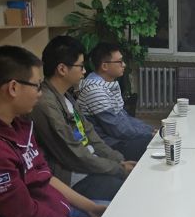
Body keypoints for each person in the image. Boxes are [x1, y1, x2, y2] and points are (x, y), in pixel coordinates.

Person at [0, 45, 108, 217]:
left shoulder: (18, 124)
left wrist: (91, 207)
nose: (40, 93)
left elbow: (45, 176)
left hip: (58, 211)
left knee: (118, 214)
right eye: (37, 86)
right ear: (13, 88)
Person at [30, 36, 136, 201]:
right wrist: (119, 169)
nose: (85, 71)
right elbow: (73, 154)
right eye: (80, 66)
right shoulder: (45, 104)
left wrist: (119, 160)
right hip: (75, 177)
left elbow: (91, 134)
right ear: (62, 69)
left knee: (135, 177)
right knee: (130, 192)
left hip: (91, 164)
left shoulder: (66, 96)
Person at [77, 42, 155, 161]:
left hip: (116, 140)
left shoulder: (106, 84)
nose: (124, 65)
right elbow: (117, 129)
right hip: (108, 147)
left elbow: (123, 117)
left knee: (156, 139)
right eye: (119, 62)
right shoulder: (95, 90)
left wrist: (150, 129)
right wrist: (149, 134)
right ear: (104, 66)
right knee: (154, 145)